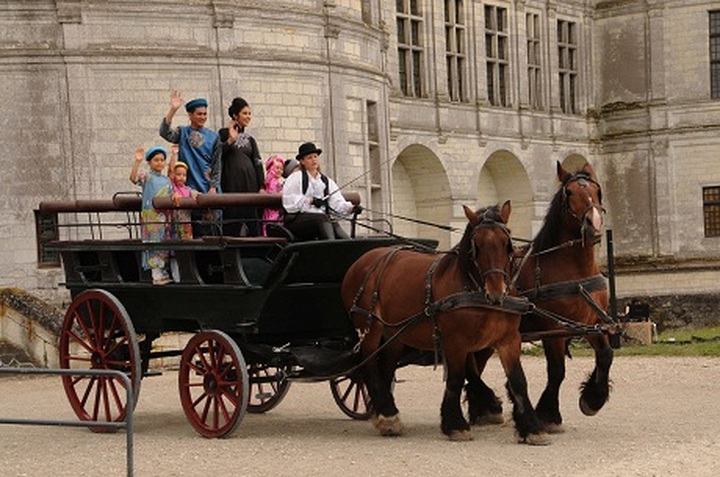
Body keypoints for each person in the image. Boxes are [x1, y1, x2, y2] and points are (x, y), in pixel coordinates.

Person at [158, 90, 221, 236]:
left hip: (207, 190)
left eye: (205, 114)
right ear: (190, 115)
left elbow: (217, 164)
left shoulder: (214, 137)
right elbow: (164, 132)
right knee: (188, 234)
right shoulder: (183, 133)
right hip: (186, 191)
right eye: (199, 114)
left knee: (212, 234)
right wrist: (173, 110)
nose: (203, 117)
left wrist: (213, 187)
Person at [282, 142, 360, 240]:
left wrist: (351, 208)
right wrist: (310, 200)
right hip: (297, 221)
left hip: (321, 220)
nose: (313, 160)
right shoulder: (295, 178)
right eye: (309, 158)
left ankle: (349, 246)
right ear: (302, 161)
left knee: (333, 223)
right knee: (323, 219)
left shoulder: (326, 181)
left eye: (315, 156)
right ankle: (330, 248)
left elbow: (336, 202)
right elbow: (290, 203)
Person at [218, 97, 264, 237]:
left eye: (249, 113)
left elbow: (257, 162)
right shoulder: (223, 134)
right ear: (235, 115)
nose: (248, 116)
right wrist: (230, 140)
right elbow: (218, 155)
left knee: (253, 224)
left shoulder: (250, 139)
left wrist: (262, 186)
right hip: (232, 186)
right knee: (232, 225)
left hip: (250, 186)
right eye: (245, 113)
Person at [130, 146, 173, 285]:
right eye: (156, 160)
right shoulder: (147, 176)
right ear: (149, 162)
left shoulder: (167, 180)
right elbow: (133, 178)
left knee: (164, 243)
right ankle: (156, 275)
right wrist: (137, 161)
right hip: (151, 216)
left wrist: (174, 155)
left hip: (164, 218)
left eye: (162, 160)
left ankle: (163, 272)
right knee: (153, 243)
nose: (159, 163)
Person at [262, 155, 286, 236]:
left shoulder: (270, 181)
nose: (280, 171)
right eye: (277, 168)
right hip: (273, 214)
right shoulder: (273, 182)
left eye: (282, 169)